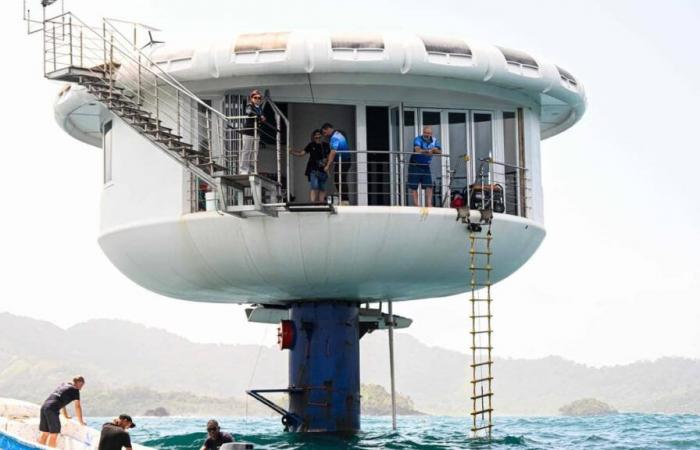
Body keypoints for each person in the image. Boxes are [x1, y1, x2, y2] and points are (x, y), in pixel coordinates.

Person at [38, 376, 86, 448]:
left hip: (44, 407)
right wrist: (81, 421)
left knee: (45, 433)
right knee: (54, 434)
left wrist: (65, 415)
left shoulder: (63, 385)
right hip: (52, 409)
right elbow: (77, 406)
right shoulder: (75, 390)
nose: (82, 387)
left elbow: (61, 402)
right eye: (82, 385)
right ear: (79, 383)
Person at [290, 129, 332, 202]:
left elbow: (329, 156)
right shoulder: (311, 145)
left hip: (323, 169)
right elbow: (301, 153)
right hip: (313, 169)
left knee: (322, 187)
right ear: (313, 137)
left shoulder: (326, 145)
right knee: (314, 186)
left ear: (322, 136)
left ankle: (321, 203)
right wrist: (291, 152)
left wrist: (327, 165)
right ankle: (313, 203)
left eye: (319, 137)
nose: (318, 138)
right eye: (316, 137)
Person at [408, 126, 442, 207]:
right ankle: (416, 205)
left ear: (431, 134)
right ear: (423, 132)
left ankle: (429, 204)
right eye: (425, 133)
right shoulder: (418, 139)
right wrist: (427, 151)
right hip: (415, 164)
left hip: (426, 165)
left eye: (429, 133)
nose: (427, 134)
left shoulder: (434, 140)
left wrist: (434, 150)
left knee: (429, 186)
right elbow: (417, 150)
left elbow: (440, 151)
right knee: (414, 186)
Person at [320, 123, 351, 204]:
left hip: (343, 161)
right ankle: (343, 198)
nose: (325, 135)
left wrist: (327, 165)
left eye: (325, 133)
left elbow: (333, 152)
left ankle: (345, 200)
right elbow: (332, 152)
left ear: (328, 129)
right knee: (339, 179)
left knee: (340, 180)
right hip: (342, 160)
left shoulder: (334, 137)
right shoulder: (338, 134)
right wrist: (327, 160)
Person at [240, 89, 267, 174]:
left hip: (256, 133)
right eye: (255, 97)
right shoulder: (250, 105)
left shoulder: (259, 108)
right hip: (248, 132)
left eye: (259, 98)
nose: (257, 99)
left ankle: (251, 169)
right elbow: (249, 112)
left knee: (255, 152)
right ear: (251, 98)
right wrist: (260, 116)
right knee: (246, 151)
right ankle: (243, 169)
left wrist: (262, 118)